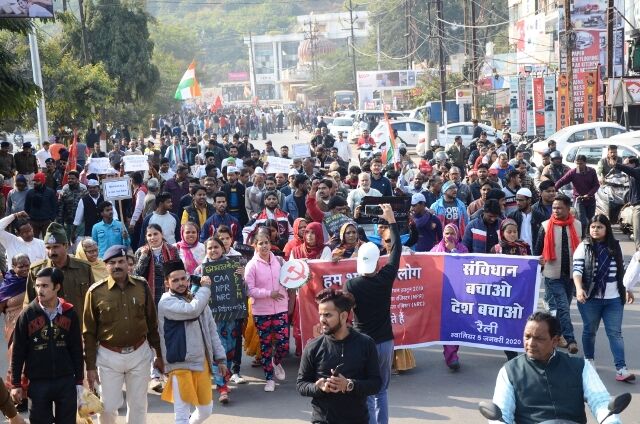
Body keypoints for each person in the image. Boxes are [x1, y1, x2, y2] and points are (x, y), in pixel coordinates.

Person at [490, 312, 623, 424]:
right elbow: (501, 414)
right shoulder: (509, 371)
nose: (531, 343)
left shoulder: (580, 366)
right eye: (527, 337)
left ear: (555, 341)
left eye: (538, 339)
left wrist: (610, 420)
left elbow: (600, 400)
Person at [83, 245, 163, 424]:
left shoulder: (141, 286)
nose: (117, 266)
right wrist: (90, 367)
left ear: (129, 263)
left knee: (138, 405)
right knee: (108, 407)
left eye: (121, 261)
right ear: (105, 265)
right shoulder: (95, 292)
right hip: (109, 357)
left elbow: (152, 322)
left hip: (139, 353)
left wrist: (158, 354)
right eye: (112, 263)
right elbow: (89, 332)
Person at [345, 204, 399, 424]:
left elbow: (342, 311)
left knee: (366, 391)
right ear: (377, 262)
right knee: (381, 390)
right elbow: (396, 252)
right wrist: (391, 221)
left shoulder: (351, 285)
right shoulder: (385, 278)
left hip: (362, 343)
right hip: (385, 342)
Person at [297, 288, 382, 424]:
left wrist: (349, 385)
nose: (322, 320)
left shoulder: (366, 343)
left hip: (357, 420)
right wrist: (318, 388)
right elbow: (301, 384)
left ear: (343, 316)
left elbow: (376, 384)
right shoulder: (313, 346)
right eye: (320, 315)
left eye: (327, 315)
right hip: (322, 420)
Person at [158, 259, 227, 422]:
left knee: (206, 410)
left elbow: (212, 331)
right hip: (179, 364)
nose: (180, 283)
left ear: (188, 279)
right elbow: (192, 311)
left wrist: (220, 358)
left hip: (201, 363)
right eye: (175, 280)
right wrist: (206, 288)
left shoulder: (197, 299)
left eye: (183, 278)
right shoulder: (166, 302)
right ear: (167, 283)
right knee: (181, 415)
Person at [11, 267, 83, 424]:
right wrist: (15, 384)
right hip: (38, 382)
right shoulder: (27, 314)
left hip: (65, 380)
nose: (39, 290)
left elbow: (76, 348)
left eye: (44, 286)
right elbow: (18, 351)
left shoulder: (70, 313)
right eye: (37, 286)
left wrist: (79, 381)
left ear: (57, 287)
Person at [572, 214, 635, 382]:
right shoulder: (583, 246)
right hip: (590, 298)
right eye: (593, 227)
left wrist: (627, 288)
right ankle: (589, 361)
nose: (595, 230)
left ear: (607, 229)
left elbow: (622, 270)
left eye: (599, 227)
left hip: (614, 299)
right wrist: (579, 288)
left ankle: (621, 369)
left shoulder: (615, 246)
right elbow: (577, 270)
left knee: (615, 333)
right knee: (589, 331)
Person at [193, 238, 244, 404]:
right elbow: (193, 294)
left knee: (229, 350)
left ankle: (224, 379)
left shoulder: (234, 266)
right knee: (217, 350)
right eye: (210, 248)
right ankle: (221, 386)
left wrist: (242, 276)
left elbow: (243, 289)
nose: (213, 250)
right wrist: (200, 284)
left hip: (231, 317)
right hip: (212, 319)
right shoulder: (201, 269)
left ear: (222, 248)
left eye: (216, 247)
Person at [534, 194, 582, 354]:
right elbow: (538, 250)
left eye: (559, 208)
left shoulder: (578, 225)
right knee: (563, 307)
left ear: (568, 208)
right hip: (552, 275)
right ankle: (571, 340)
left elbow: (583, 250)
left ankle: (554, 335)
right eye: (554, 208)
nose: (556, 210)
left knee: (563, 309)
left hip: (571, 275)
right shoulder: (545, 226)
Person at [244, 227, 289, 392]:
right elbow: (250, 290)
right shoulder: (251, 265)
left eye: (266, 242)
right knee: (266, 346)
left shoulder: (280, 261)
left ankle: (276, 362)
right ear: (255, 246)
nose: (264, 246)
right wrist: (269, 293)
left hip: (281, 308)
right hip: (262, 311)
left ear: (271, 244)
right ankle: (269, 379)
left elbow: (291, 278)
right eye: (260, 243)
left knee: (284, 344)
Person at [25, 222, 95, 314]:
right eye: (48, 248)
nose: (51, 252)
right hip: (48, 322)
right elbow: (28, 304)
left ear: (66, 246)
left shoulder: (84, 268)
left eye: (55, 247)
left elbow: (94, 299)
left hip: (78, 321)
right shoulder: (36, 271)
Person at [431, 224, 468, 369]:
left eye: (452, 233)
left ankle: (452, 354)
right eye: (447, 233)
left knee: (455, 324)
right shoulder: (436, 250)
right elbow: (427, 264)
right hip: (441, 293)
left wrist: (453, 251)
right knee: (445, 324)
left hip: (458, 293)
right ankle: (450, 356)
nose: (449, 236)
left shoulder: (463, 249)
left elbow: (466, 267)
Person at [134, 223, 179, 306]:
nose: (152, 238)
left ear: (161, 234)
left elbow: (178, 271)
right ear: (146, 237)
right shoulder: (140, 252)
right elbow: (136, 274)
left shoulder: (172, 250)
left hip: (170, 291)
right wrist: (144, 256)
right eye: (149, 235)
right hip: (149, 293)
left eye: (155, 234)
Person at [555, 154, 599, 234]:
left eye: (581, 163)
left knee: (591, 221)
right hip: (579, 200)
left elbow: (596, 185)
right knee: (582, 222)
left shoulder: (592, 171)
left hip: (590, 200)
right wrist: (553, 189)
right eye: (577, 163)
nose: (579, 166)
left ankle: (590, 236)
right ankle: (581, 237)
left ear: (585, 163)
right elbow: (562, 181)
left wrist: (589, 194)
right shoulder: (573, 172)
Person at [613, 157, 640, 251]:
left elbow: (629, 170)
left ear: (633, 164)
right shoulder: (632, 175)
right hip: (635, 205)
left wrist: (617, 165)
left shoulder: (637, 170)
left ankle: (638, 251)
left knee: (637, 232)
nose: (625, 166)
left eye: (626, 164)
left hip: (639, 207)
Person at [24, 172, 57, 238]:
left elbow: (54, 207)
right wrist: (28, 219)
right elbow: (26, 207)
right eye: (34, 181)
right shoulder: (30, 193)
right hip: (33, 221)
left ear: (42, 181)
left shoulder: (50, 192)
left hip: (46, 221)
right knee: (33, 240)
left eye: (37, 181)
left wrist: (51, 219)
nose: (35, 183)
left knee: (46, 241)